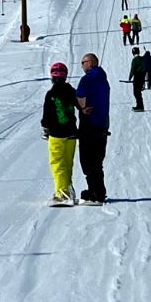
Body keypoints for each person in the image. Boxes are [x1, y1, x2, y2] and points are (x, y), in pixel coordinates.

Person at [41, 62, 80, 205]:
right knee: (68, 163)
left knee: (57, 163)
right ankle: (67, 189)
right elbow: (80, 106)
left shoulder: (51, 94)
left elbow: (46, 116)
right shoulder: (71, 91)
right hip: (71, 132)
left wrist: (45, 128)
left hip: (57, 133)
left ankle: (62, 194)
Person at [75, 53, 111, 204]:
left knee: (88, 161)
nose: (82, 65)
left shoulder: (87, 79)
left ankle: (95, 194)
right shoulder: (104, 79)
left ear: (90, 63)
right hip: (103, 125)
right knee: (97, 160)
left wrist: (82, 108)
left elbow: (80, 96)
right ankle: (98, 191)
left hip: (89, 125)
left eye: (83, 62)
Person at [127, 47, 146, 112]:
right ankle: (140, 106)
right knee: (138, 92)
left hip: (137, 76)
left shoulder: (135, 60)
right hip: (142, 76)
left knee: (136, 92)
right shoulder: (142, 59)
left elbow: (132, 69)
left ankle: (140, 106)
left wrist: (130, 77)